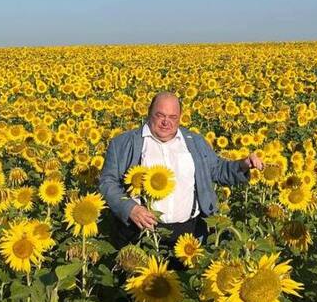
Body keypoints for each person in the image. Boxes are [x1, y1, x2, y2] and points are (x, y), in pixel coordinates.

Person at [98, 91, 264, 248]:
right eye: (160, 115)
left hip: (187, 234)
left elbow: (218, 170)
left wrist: (243, 164)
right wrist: (130, 209)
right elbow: (107, 182)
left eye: (172, 117)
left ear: (179, 118)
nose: (166, 122)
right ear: (149, 113)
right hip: (139, 232)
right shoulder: (123, 143)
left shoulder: (195, 142)